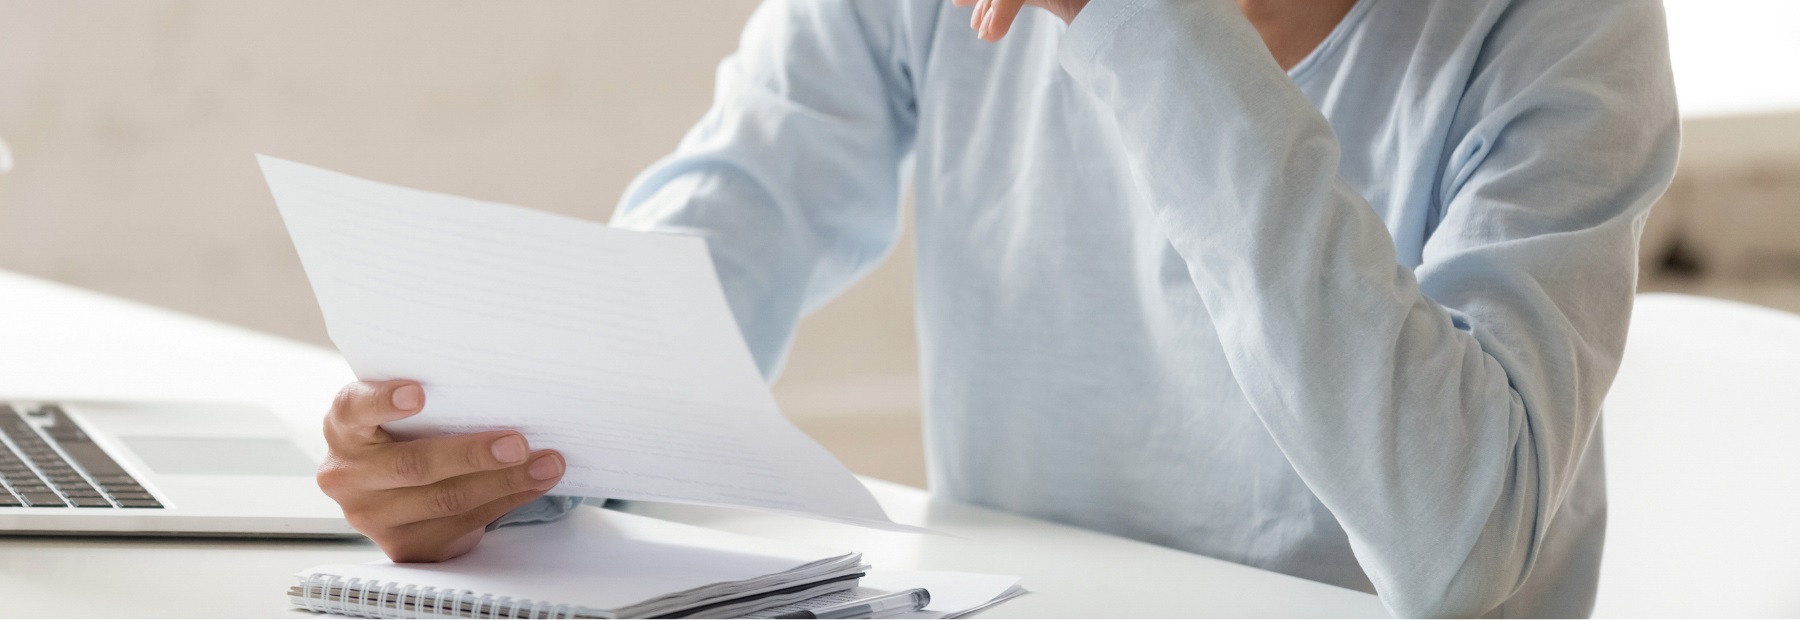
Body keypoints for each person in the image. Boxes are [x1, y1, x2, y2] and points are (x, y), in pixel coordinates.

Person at [314, 0, 1678, 616]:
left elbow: (1458, 550)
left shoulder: (1561, 26)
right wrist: (500, 456)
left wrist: (1151, 22)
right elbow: (718, 236)